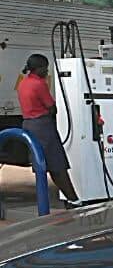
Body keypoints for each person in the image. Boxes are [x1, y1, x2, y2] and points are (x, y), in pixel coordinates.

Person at [16, 54, 81, 208]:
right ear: (38, 68)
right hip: (43, 127)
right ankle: (74, 200)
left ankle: (66, 200)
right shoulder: (39, 84)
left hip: (28, 125)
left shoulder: (23, 83)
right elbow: (51, 107)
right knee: (57, 165)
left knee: (42, 166)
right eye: (44, 68)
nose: (46, 71)